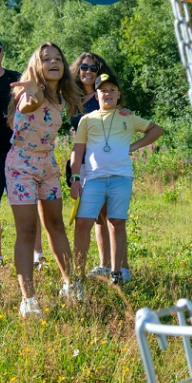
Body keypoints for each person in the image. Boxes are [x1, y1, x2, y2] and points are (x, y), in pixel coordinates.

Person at [8, 42, 82, 316]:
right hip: (21, 166)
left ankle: (70, 284)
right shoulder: (32, 93)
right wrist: (31, 95)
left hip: (47, 164)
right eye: (46, 59)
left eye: (58, 59)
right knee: (27, 231)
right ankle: (28, 299)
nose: (53, 63)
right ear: (36, 66)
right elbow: (30, 105)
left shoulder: (61, 98)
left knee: (56, 224)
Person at [70, 73, 163, 285]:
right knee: (83, 222)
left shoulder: (127, 117)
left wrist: (135, 146)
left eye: (112, 90)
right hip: (93, 179)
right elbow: (77, 150)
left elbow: (156, 130)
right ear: (96, 94)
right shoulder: (87, 119)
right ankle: (78, 275)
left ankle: (117, 272)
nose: (108, 93)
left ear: (118, 94)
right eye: (103, 90)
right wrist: (75, 177)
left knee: (117, 222)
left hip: (121, 178)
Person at [0, 33, 44, 276]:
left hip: (20, 147)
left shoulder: (16, 78)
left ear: (2, 52)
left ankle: (38, 255)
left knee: (27, 202)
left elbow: (32, 105)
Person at [67, 52, 115, 280]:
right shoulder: (70, 97)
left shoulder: (104, 96)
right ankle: (79, 271)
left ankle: (107, 265)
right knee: (86, 218)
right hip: (80, 162)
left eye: (93, 68)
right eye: (83, 67)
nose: (88, 71)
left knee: (103, 215)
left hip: (102, 163)